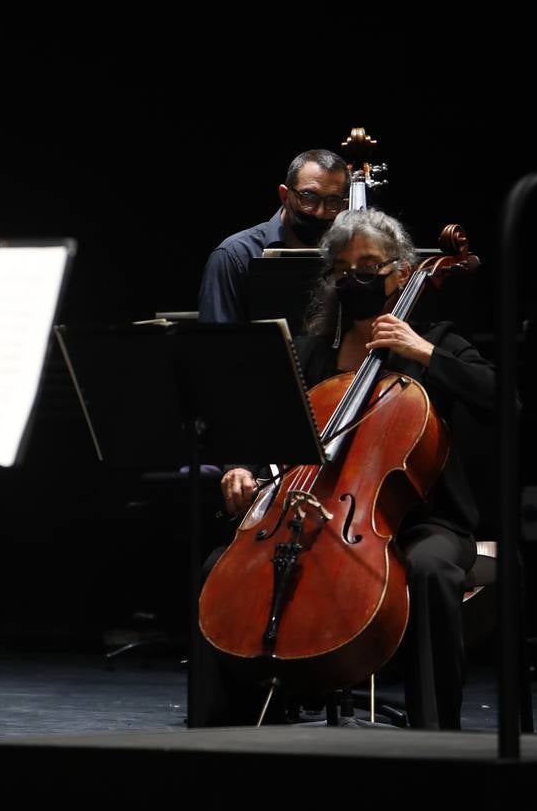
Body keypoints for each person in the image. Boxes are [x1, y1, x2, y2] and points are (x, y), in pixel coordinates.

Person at [198, 208, 495, 730]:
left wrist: (422, 352)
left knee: (428, 570)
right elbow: (263, 430)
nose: (354, 277)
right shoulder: (312, 354)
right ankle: (222, 731)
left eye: (369, 265)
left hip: (424, 522)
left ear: (401, 271)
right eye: (342, 268)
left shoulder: (438, 341)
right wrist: (241, 468)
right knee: (219, 567)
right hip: (315, 515)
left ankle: (437, 733)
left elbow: (503, 398)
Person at [196, 148, 350, 323]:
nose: (320, 212)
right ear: (284, 195)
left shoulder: (349, 257)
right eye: (309, 197)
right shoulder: (233, 256)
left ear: (344, 205)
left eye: (333, 201)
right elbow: (217, 343)